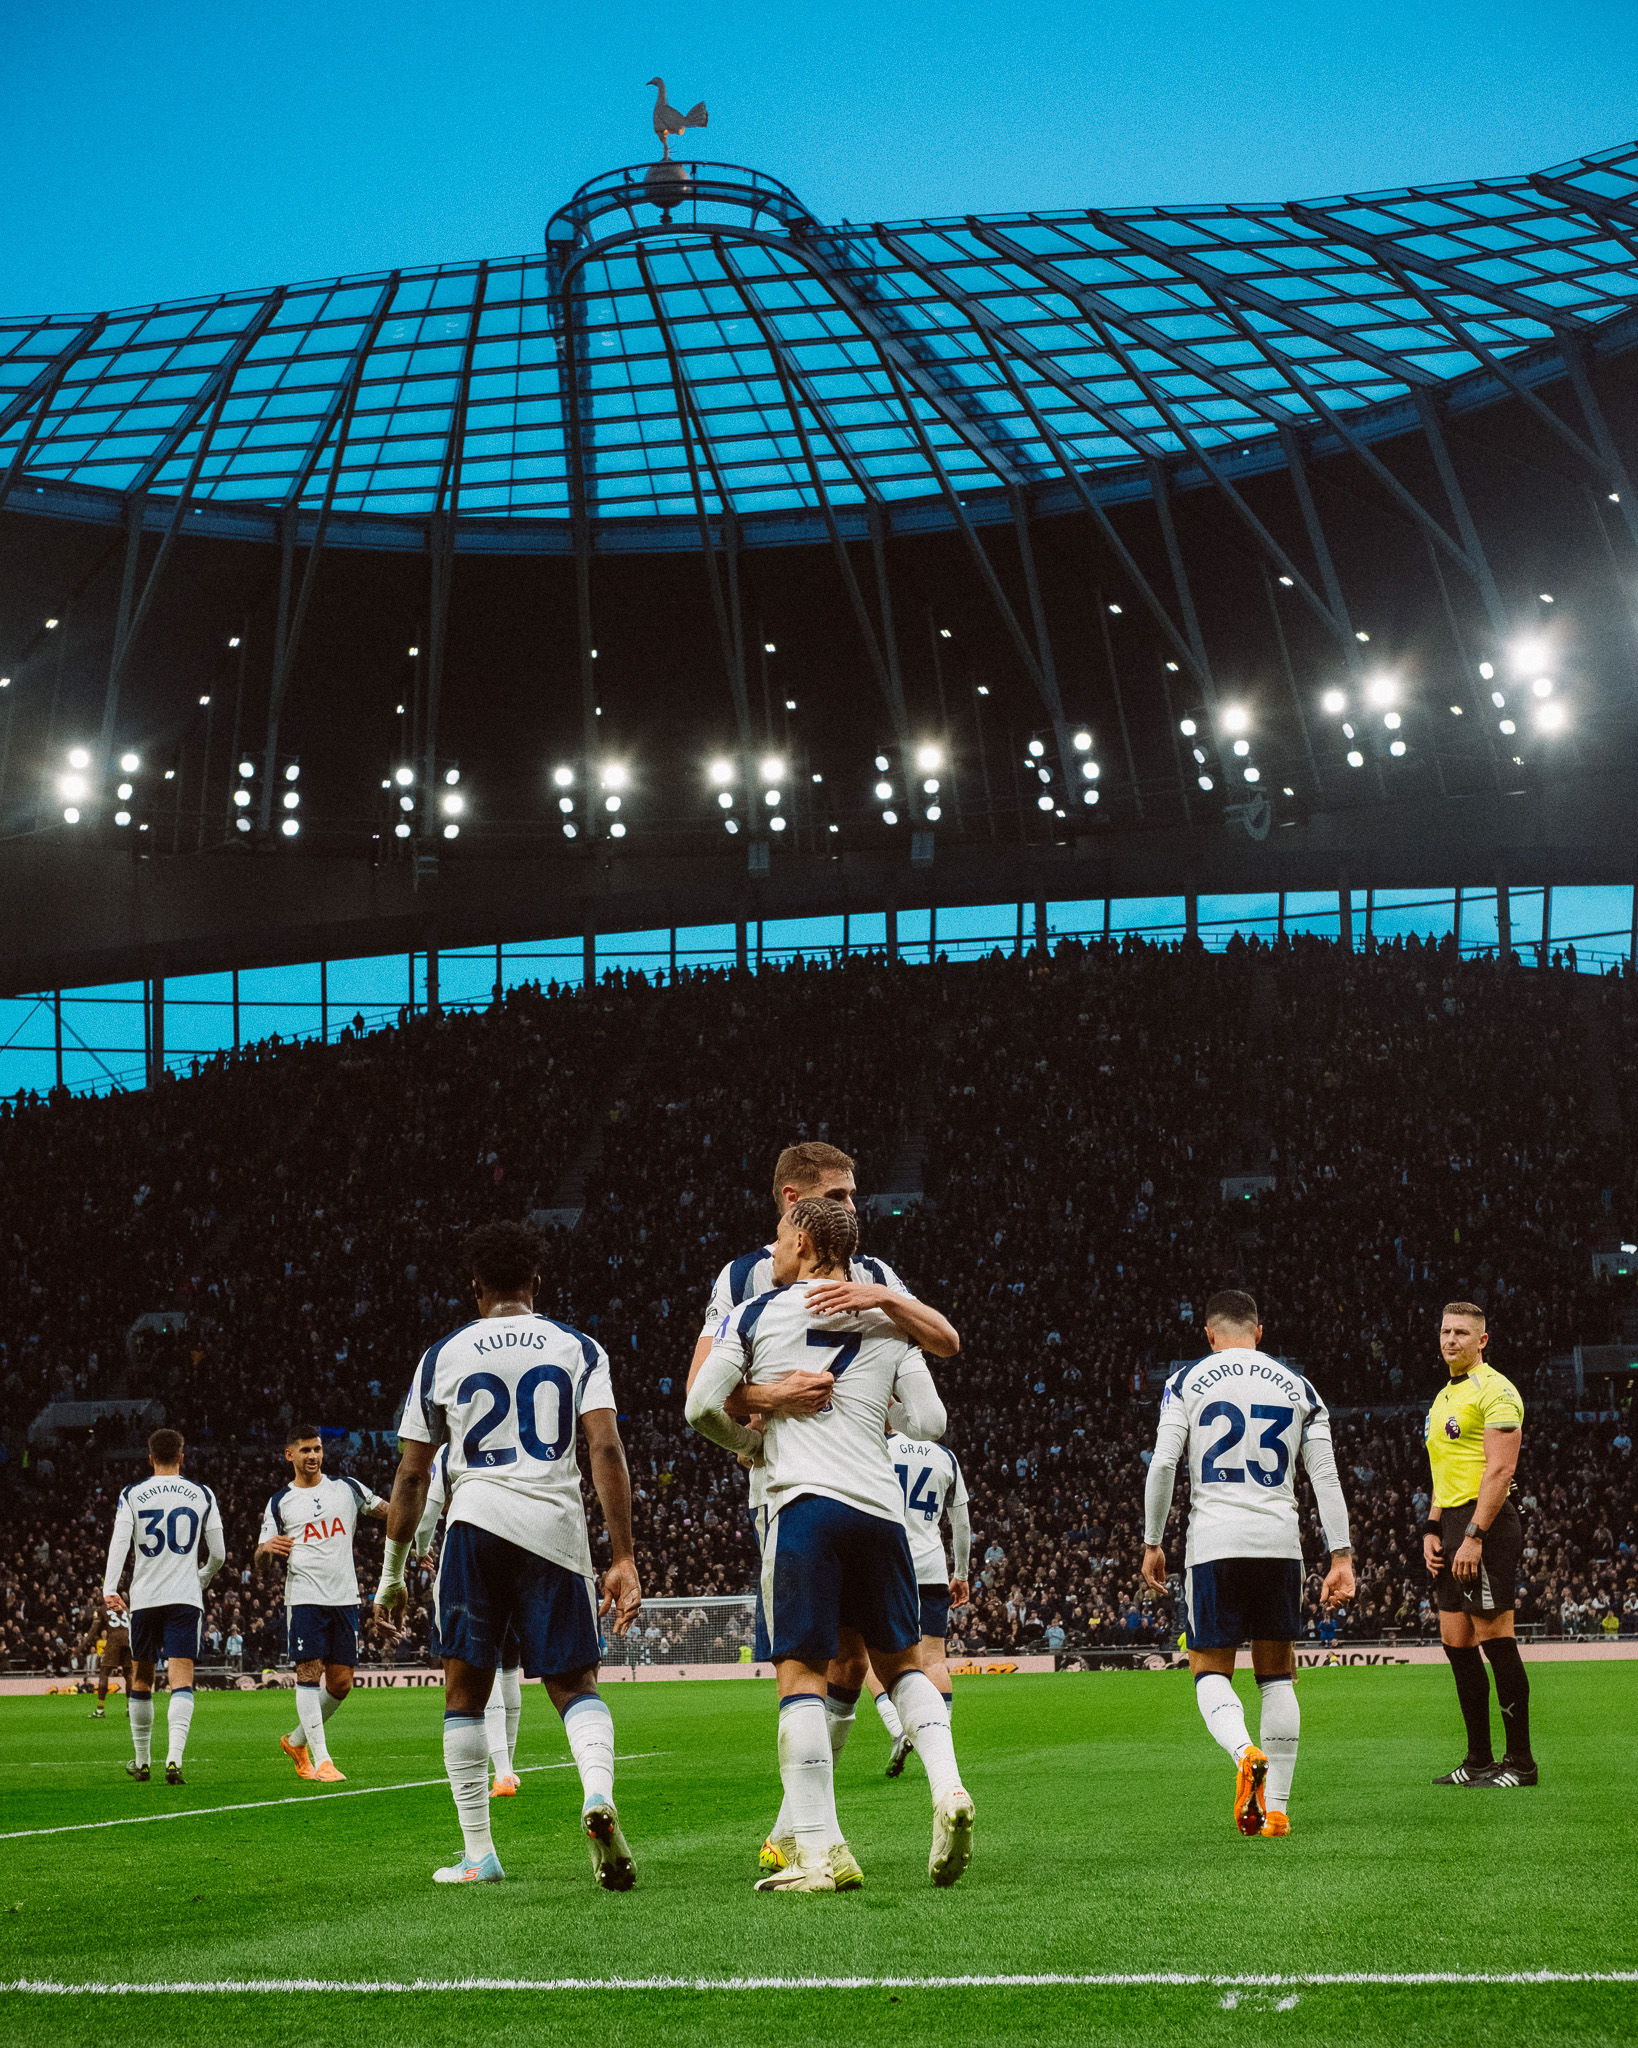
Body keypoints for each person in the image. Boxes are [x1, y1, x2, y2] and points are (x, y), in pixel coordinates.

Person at [684, 1139, 960, 1871]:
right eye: (839, 1197)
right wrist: (776, 1397)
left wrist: (884, 1301)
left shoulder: (874, 1277)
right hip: (851, 1495)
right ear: (795, 1203)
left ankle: (806, 1835)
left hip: (806, 1494)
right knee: (864, 1658)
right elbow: (709, 1385)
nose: (853, 1208)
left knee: (816, 1664)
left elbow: (701, 1404)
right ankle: (811, 1826)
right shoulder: (740, 1278)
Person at [374, 1219, 643, 1886]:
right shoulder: (578, 1347)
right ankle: (596, 1791)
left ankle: (479, 1853)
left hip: (474, 1526)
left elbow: (412, 1475)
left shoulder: (442, 1355)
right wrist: (623, 1557)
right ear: (536, 1282)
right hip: (554, 1529)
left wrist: (392, 1574)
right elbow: (606, 1449)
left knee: (465, 1693)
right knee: (575, 1686)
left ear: (475, 1288)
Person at [1140, 1289, 1354, 1838]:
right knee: (1277, 1677)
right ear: (1259, 1333)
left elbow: (1163, 1464)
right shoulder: (1300, 1388)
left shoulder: (1186, 1381)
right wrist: (1341, 1554)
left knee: (1209, 1669)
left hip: (1215, 1542)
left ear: (1209, 1335)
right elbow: (1325, 1477)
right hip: (1279, 1543)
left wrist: (1152, 1541)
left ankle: (1243, 1752)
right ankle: (1277, 1810)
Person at [1423, 1302, 1536, 1788]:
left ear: (1482, 1340)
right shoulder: (1444, 1396)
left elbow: (1501, 1469)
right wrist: (1432, 1528)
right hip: (1451, 1523)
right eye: (1446, 1331)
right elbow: (1442, 1471)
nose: (1451, 1340)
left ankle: (1521, 1764)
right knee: (1457, 1643)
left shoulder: (1497, 1391)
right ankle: (1478, 1761)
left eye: (1462, 1333)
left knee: (1496, 1640)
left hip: (1483, 1525)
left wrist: (1474, 1536)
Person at [256, 1423, 388, 1783]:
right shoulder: (280, 1502)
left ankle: (296, 1742)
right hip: (304, 1597)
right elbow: (261, 1558)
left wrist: (420, 1524)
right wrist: (266, 1549)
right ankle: (323, 1760)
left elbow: (389, 1512)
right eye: (305, 1450)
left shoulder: (347, 1488)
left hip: (344, 1598)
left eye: (317, 1449)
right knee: (308, 1674)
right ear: (289, 1455)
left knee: (341, 1684)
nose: (313, 1455)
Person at [101, 1427, 226, 1786]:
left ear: (150, 1457)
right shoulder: (202, 1493)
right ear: (182, 1457)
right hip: (184, 1598)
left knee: (142, 1676)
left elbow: (119, 1542)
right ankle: (174, 1759)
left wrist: (110, 1588)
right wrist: (202, 1577)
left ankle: (142, 1761)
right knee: (181, 1679)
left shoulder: (132, 1494)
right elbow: (218, 1554)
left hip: (145, 1599)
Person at [416, 1440, 523, 1796]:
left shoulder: (450, 1448)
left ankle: (502, 1773)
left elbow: (429, 1505)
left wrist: (420, 1548)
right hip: (522, 1553)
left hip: (470, 1556)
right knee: (509, 1667)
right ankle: (508, 1769)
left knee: (480, 1666)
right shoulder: (518, 1435)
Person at [871, 1413, 971, 1777]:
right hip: (931, 1568)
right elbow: (961, 1522)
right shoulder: (945, 1457)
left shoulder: (879, 1446)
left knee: (868, 1654)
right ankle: (939, 1743)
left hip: (887, 1562)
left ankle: (898, 1727)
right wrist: (961, 1574)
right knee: (933, 1660)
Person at [88, 1594, 133, 1720]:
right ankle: (130, 1708)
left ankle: (100, 1710)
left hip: (114, 1642)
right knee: (129, 1674)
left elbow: (93, 1631)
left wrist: (78, 1649)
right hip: (128, 1641)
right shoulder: (125, 1608)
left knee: (104, 1673)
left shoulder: (103, 1608)